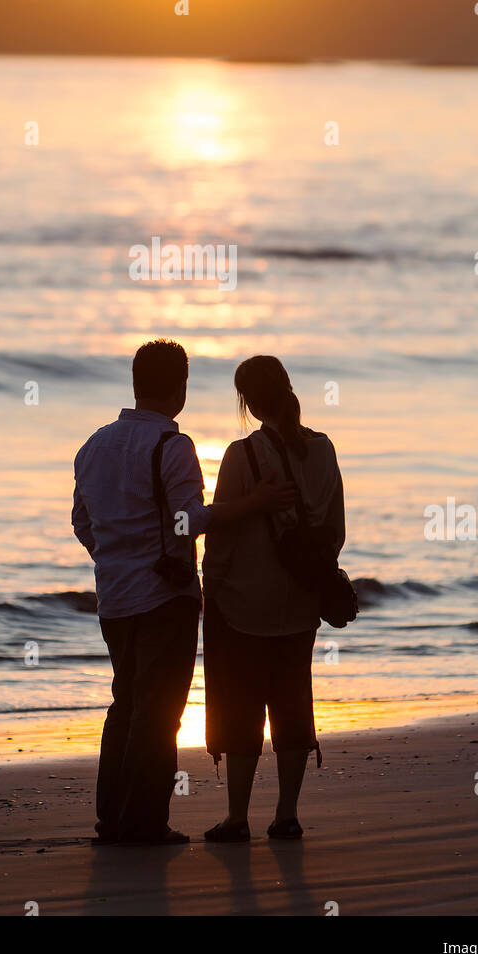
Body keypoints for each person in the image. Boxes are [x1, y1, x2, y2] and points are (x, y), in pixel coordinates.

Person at [72, 339, 295, 847]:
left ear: (136, 382)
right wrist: (253, 503)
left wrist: (113, 558)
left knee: (124, 703)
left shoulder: (93, 445)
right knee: (158, 711)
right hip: (163, 598)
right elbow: (186, 521)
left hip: (114, 597)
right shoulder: (172, 446)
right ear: (181, 386)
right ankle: (146, 823)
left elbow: (82, 522)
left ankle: (113, 819)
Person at [202, 355, 346, 842]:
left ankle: (237, 818)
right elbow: (335, 532)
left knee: (241, 709)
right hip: (303, 605)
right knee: (292, 703)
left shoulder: (241, 457)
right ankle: (286, 814)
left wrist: (211, 585)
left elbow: (220, 532)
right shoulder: (324, 451)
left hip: (244, 603)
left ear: (246, 402)